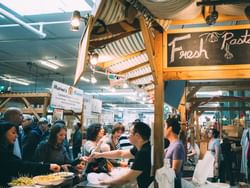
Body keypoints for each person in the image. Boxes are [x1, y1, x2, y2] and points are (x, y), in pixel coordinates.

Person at [91, 121, 153, 188]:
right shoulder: (142, 147)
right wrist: (100, 154)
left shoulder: (144, 153)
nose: (128, 136)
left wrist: (106, 182)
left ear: (137, 136)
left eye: (130, 133)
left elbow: (127, 178)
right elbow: (120, 153)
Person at [0, 121, 60, 186]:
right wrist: (48, 167)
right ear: (3, 133)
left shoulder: (6, 149)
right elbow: (21, 166)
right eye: (13, 132)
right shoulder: (3, 153)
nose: (16, 136)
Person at [164, 117, 185, 188]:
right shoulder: (172, 144)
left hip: (173, 184)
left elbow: (175, 171)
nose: (163, 129)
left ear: (169, 128)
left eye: (164, 126)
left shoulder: (177, 146)